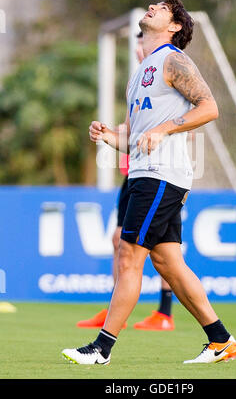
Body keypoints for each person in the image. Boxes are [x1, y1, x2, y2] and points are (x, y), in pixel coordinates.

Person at [62, 0, 236, 365]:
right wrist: (110, 135)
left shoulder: (175, 59)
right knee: (168, 263)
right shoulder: (140, 73)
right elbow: (135, 135)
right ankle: (220, 340)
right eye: (153, 4)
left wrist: (162, 129)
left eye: (162, 7)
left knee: (129, 256)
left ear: (174, 26)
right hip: (147, 171)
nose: (152, 7)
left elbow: (209, 107)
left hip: (162, 175)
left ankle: (101, 348)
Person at [76, 32, 175, 331]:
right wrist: (114, 134)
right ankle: (129, 311)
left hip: (158, 173)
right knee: (128, 242)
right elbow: (135, 126)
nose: (137, 46)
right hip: (136, 171)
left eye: (142, 39)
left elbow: (196, 113)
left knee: (155, 251)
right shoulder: (138, 80)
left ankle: (163, 314)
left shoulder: (169, 72)